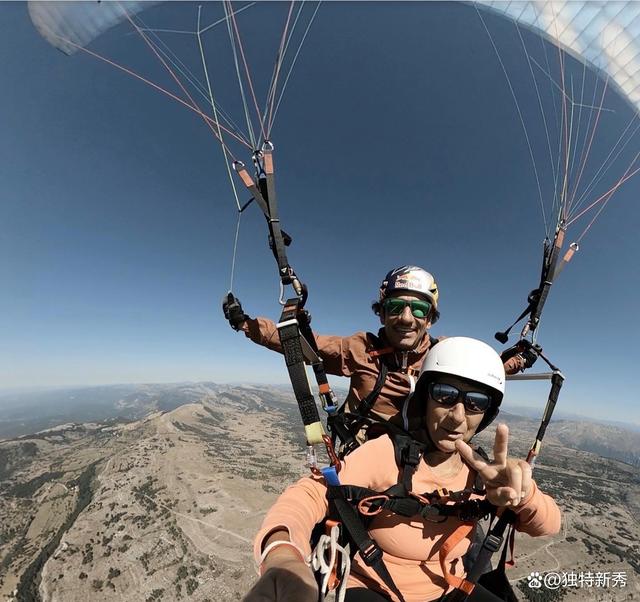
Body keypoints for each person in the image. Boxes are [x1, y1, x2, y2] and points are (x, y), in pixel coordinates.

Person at [243, 337, 561, 602]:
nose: (457, 417)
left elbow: (548, 526)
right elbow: (311, 493)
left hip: (453, 589)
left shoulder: (485, 472)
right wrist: (282, 555)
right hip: (373, 588)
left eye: (476, 403)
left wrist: (524, 495)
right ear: (424, 399)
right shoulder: (387, 453)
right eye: (445, 396)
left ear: (486, 415)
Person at [223, 266, 534, 435]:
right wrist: (246, 325)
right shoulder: (360, 349)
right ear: (382, 314)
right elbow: (304, 344)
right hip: (361, 450)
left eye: (419, 310)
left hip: (417, 456)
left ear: (430, 318)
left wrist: (516, 361)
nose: (407, 318)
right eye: (396, 307)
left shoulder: (444, 353)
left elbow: (479, 368)